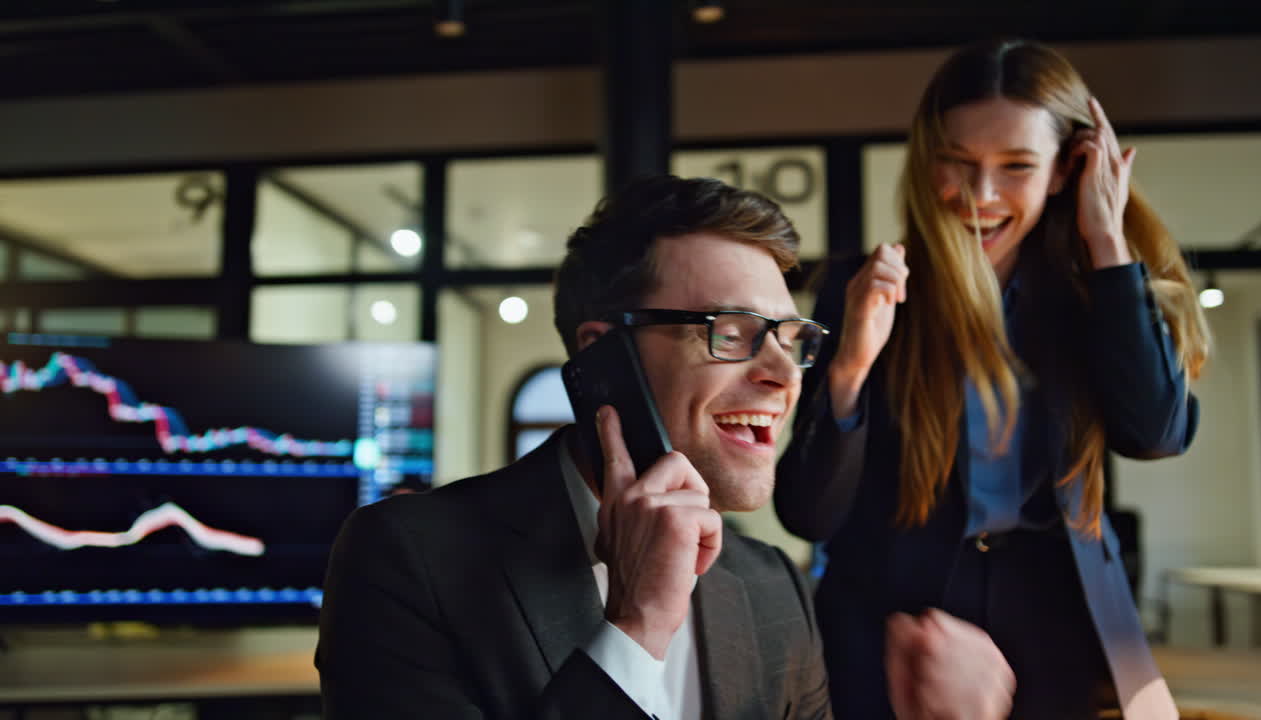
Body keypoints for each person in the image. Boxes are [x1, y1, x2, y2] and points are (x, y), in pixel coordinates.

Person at [316, 175, 1015, 719]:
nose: (779, 374)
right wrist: (637, 625)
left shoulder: (774, 586)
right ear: (604, 357)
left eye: (790, 339)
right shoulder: (407, 559)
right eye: (732, 331)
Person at [776, 38, 1210, 719]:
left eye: (1016, 167)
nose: (981, 196)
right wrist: (853, 367)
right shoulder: (866, 290)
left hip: (1052, 613)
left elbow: (1155, 433)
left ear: (1068, 170)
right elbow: (807, 512)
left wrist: (1108, 243)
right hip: (897, 620)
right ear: (927, 161)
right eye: (958, 163)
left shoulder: (1092, 294)